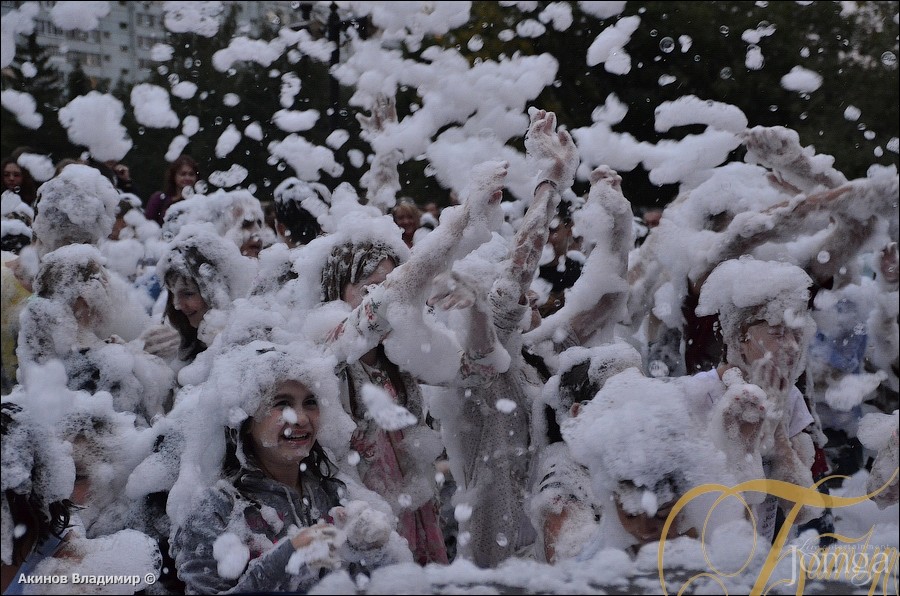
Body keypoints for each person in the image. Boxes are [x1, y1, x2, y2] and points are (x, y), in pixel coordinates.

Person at [170, 343, 410, 594]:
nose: (302, 418)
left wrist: (373, 553)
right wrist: (289, 558)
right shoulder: (216, 510)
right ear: (246, 420)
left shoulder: (332, 495)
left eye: (310, 402)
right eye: (282, 403)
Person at [153, 225, 255, 371]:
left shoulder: (248, 340)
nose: (177, 305)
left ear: (218, 291)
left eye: (188, 293)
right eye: (172, 293)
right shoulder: (177, 342)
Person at [145, 156, 199, 225]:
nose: (187, 178)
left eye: (191, 174)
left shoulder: (199, 201)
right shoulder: (159, 199)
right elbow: (147, 226)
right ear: (174, 176)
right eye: (183, 174)